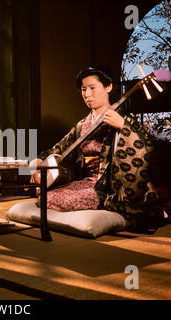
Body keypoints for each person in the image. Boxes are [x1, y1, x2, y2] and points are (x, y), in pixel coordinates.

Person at [30, 67, 165, 233]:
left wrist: (124, 127)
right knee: (45, 197)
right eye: (83, 90)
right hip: (88, 182)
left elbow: (150, 148)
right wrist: (39, 161)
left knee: (58, 200)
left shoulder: (122, 117)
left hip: (110, 186)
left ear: (108, 87)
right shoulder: (82, 125)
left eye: (92, 88)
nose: (87, 95)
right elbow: (60, 147)